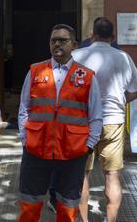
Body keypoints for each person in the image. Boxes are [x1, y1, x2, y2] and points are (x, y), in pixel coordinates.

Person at [17, 24, 102, 222]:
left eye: (62, 40)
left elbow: (96, 115)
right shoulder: (36, 71)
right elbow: (24, 108)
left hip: (72, 153)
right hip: (36, 150)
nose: (57, 44)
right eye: (53, 40)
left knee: (68, 207)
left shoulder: (87, 76)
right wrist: (25, 139)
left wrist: (88, 146)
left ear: (74, 44)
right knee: (29, 204)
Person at [72, 17, 137, 222]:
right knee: (112, 175)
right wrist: (120, 101)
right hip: (113, 120)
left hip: (82, 122)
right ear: (113, 37)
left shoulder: (77, 56)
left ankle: (83, 220)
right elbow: (136, 92)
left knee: (82, 175)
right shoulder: (123, 57)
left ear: (92, 35)